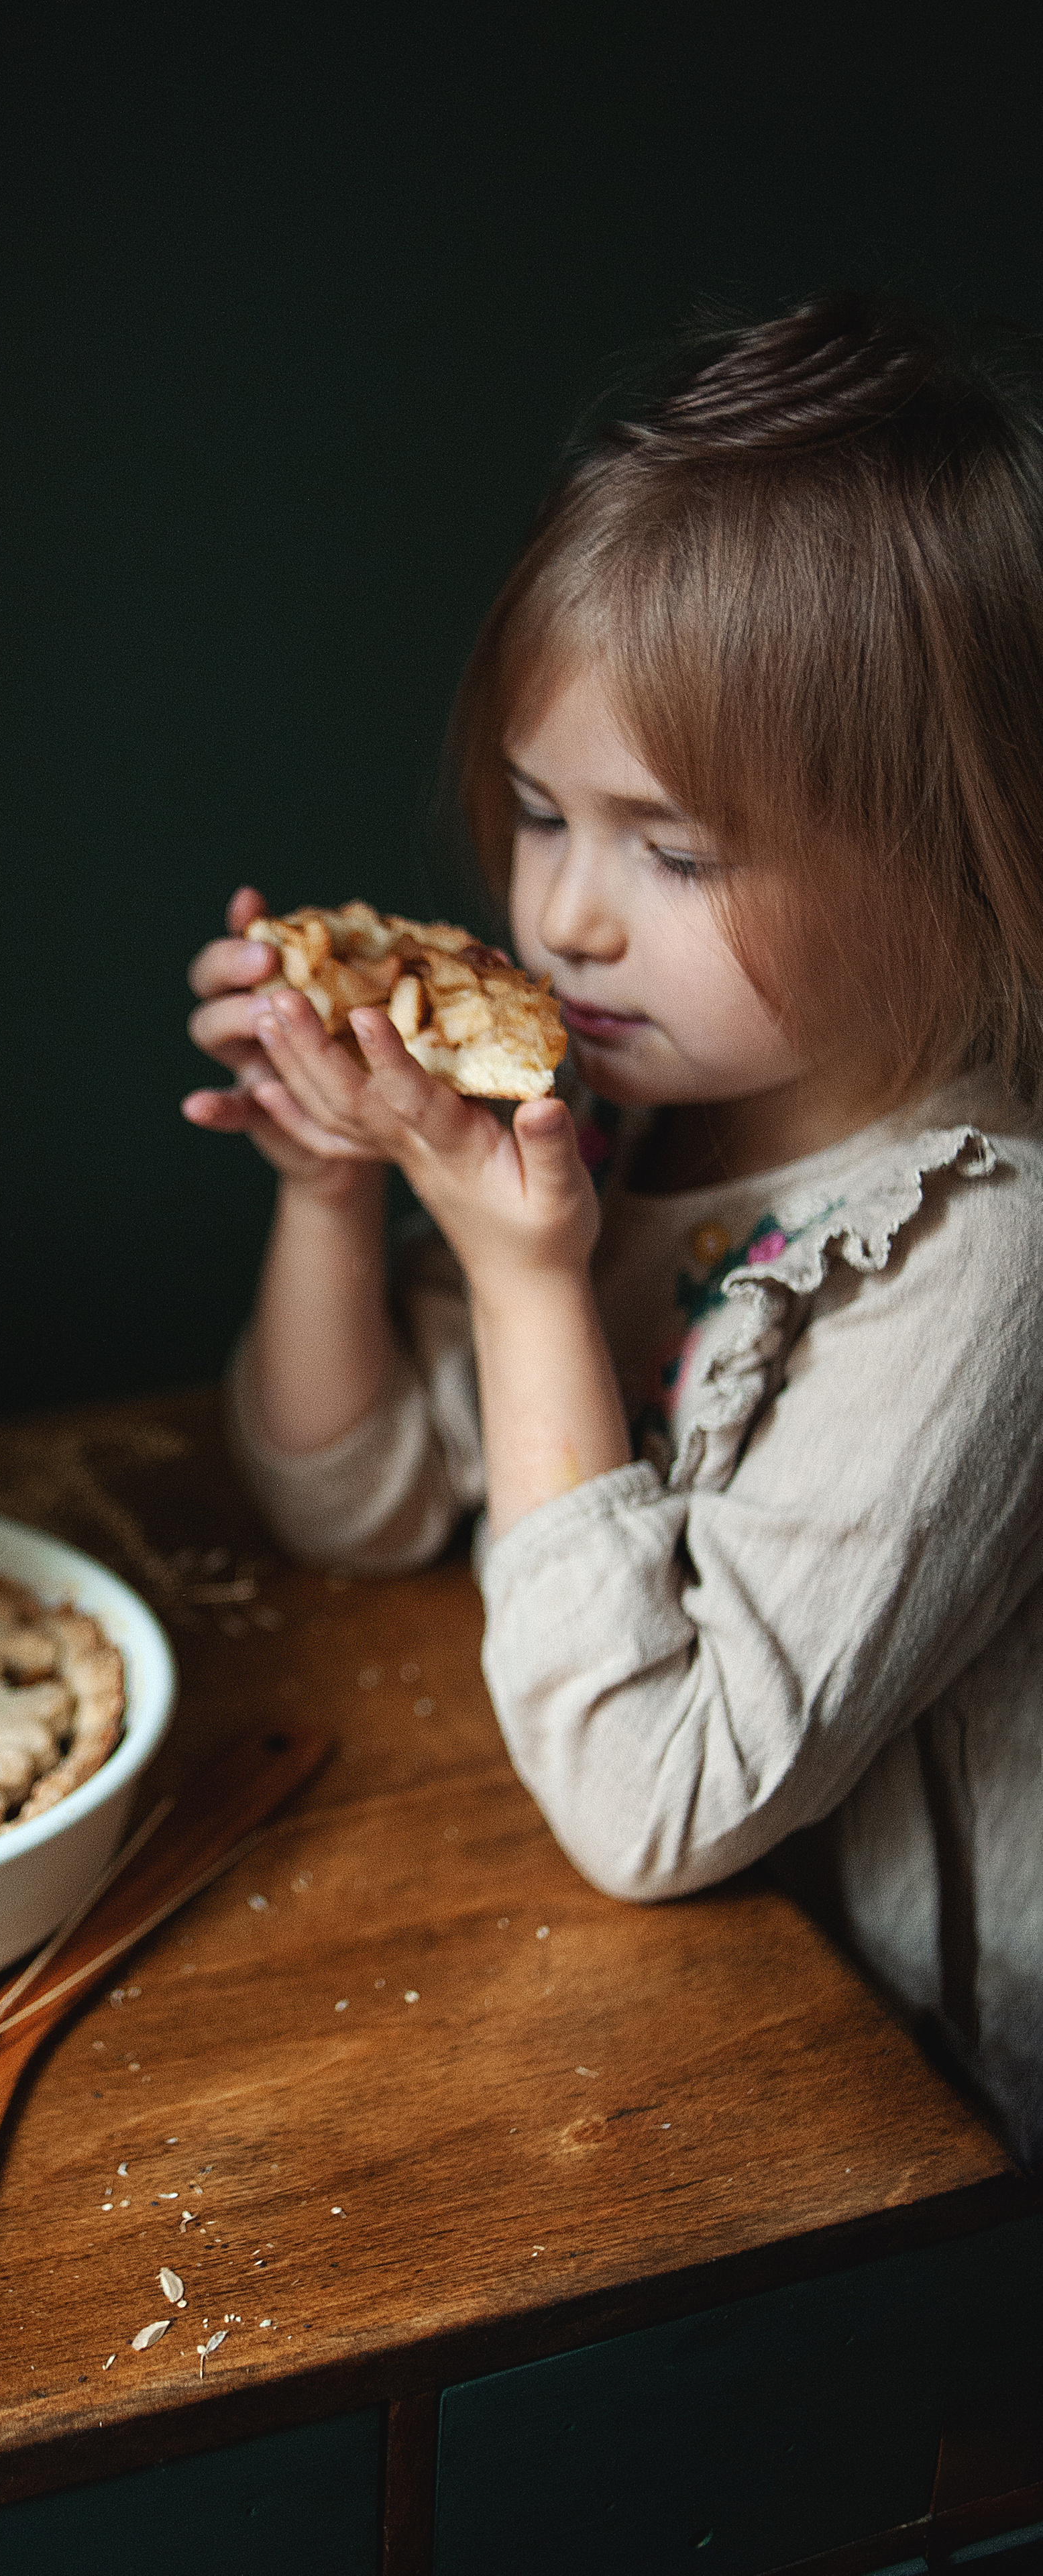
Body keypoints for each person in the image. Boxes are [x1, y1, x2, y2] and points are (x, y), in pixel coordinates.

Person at [182, 294, 1043, 2167]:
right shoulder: (639, 1111)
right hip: (678, 2060)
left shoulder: (980, 1266)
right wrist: (341, 1191)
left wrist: (522, 1274)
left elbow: (656, 1801)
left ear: (960, 855)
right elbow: (359, 1502)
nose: (563, 919)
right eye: (534, 812)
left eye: (674, 851)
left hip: (933, 2155)